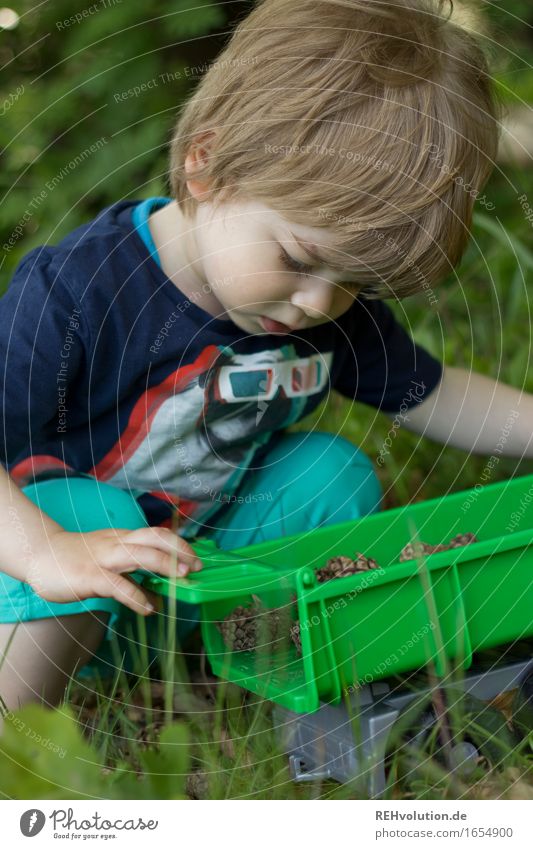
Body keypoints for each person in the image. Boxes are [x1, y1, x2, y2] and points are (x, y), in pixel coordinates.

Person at [0, 0, 530, 710]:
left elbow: (434, 393)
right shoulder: (80, 295)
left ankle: (250, 668)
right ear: (207, 168)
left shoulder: (323, 310)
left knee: (327, 473)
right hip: (38, 579)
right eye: (297, 257)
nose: (317, 304)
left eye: (354, 282)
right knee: (93, 508)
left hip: (188, 568)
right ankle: (24, 738)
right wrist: (43, 552)